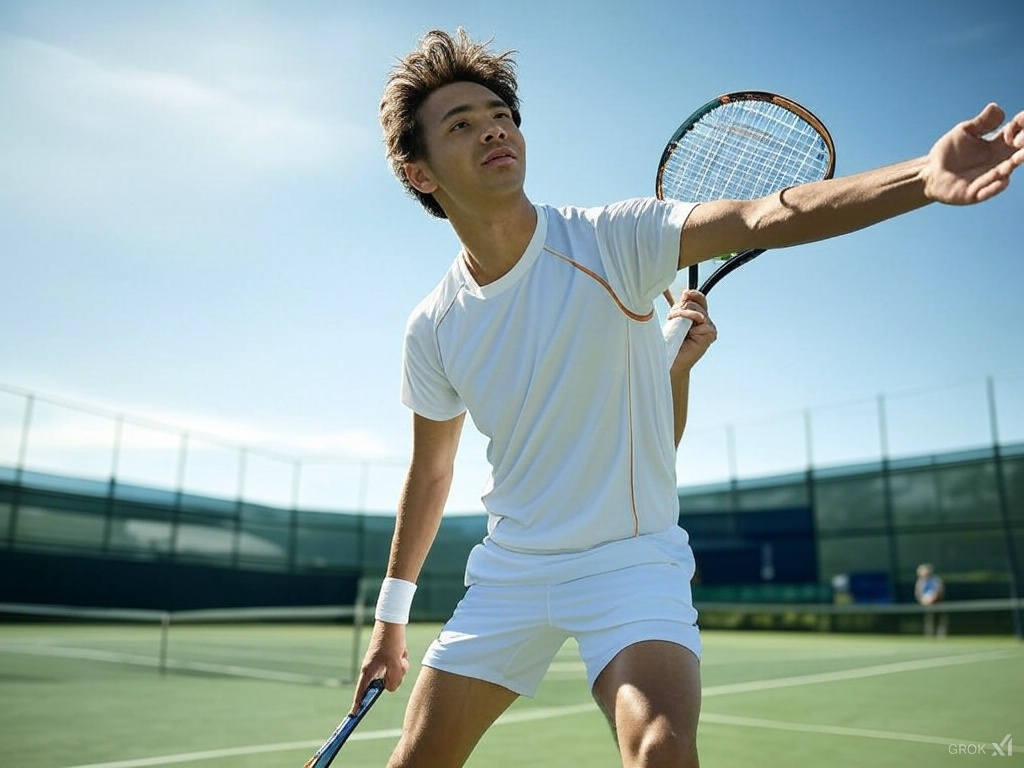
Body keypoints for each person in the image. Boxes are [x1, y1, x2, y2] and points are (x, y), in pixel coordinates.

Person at [353, 28, 1023, 768]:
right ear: (419, 173)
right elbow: (432, 473)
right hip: (513, 569)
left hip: (631, 563)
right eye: (462, 124)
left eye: (500, 114)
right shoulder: (435, 325)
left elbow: (766, 214)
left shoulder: (615, 240)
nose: (494, 129)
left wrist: (922, 176)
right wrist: (391, 619)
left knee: (662, 751)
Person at [915, 563, 948, 638]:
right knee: (929, 619)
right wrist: (923, 600)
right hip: (927, 605)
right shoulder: (920, 582)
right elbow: (918, 593)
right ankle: (929, 635)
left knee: (940, 619)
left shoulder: (936, 580)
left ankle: (941, 635)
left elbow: (939, 591)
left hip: (938, 604)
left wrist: (932, 599)